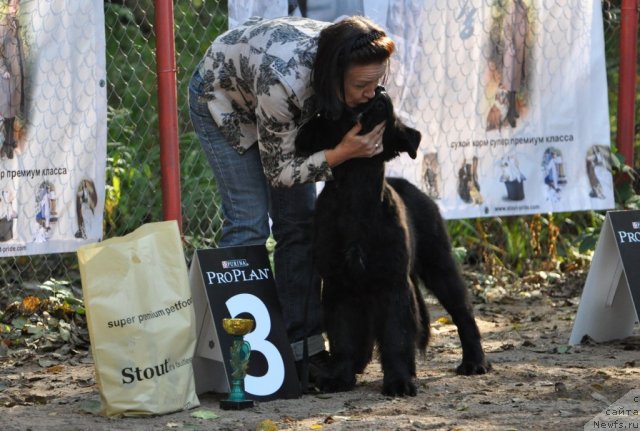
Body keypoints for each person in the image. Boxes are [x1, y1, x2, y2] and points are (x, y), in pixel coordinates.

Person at [188, 15, 394, 387]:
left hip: (273, 98)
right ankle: (238, 363)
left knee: (300, 224)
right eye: (363, 85)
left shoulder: (349, 54)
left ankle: (303, 350)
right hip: (222, 100)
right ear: (335, 76)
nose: (371, 93)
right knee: (249, 222)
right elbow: (279, 173)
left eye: (377, 83)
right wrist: (342, 153)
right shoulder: (286, 83)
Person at [0, 0, 24, 160]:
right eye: (12, 4)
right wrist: (2, 69)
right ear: (7, 6)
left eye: (16, 4)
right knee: (7, 113)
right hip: (6, 76)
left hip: (17, 75)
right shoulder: (2, 26)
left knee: (13, 112)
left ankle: (9, 142)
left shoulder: (17, 24)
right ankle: (7, 145)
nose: (14, 7)